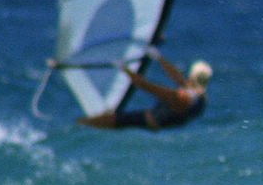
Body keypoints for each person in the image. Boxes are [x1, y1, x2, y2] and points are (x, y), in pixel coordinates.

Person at [79, 49, 210, 131]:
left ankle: (81, 124)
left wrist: (124, 68)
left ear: (192, 76)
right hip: (168, 116)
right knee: (111, 118)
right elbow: (178, 77)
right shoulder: (199, 94)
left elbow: (145, 86)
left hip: (151, 120)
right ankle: (84, 123)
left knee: (114, 120)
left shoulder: (181, 97)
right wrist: (159, 58)